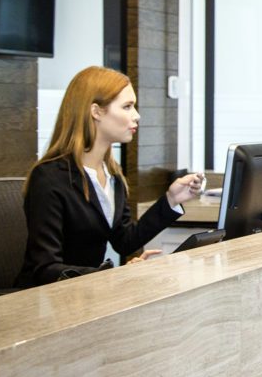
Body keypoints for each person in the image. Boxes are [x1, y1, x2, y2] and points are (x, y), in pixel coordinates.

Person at [17, 66, 203, 287]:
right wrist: (111, 276)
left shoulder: (112, 174)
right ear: (96, 111)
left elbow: (124, 241)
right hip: (45, 302)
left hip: (87, 296)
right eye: (127, 107)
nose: (137, 115)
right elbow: (45, 268)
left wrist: (171, 200)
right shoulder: (49, 178)